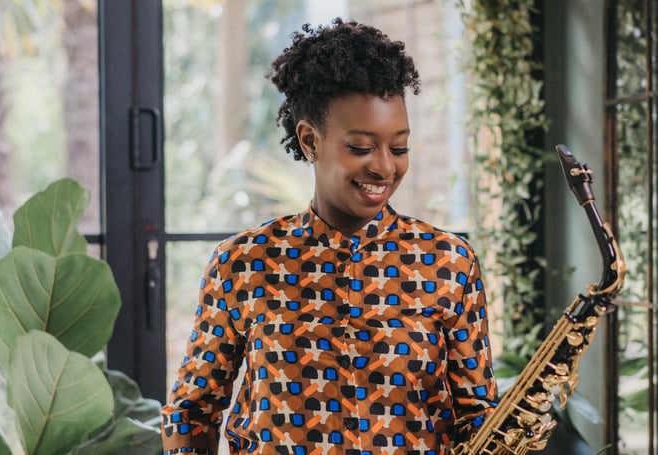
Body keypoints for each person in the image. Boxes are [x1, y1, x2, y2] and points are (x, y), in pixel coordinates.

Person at [161, 17, 497, 455]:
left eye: (399, 147)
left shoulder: (451, 262)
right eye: (361, 148)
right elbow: (192, 411)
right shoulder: (243, 263)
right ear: (309, 141)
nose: (384, 167)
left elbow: (479, 417)